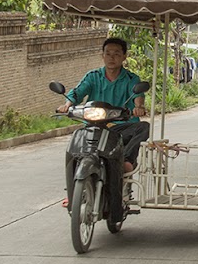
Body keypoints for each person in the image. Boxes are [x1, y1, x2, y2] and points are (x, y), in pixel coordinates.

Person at [57, 37, 149, 173]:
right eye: (108, 53)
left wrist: (138, 108)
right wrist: (67, 105)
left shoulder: (131, 79)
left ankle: (126, 160)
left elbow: (137, 96)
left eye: (117, 54)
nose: (112, 58)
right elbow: (77, 93)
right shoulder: (93, 77)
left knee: (144, 127)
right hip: (94, 125)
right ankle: (74, 188)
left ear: (124, 56)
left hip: (120, 127)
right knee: (75, 146)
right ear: (102, 56)